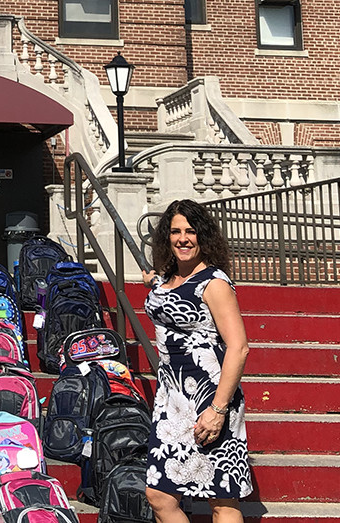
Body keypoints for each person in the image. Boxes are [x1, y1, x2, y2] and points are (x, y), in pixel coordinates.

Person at [141, 199, 252, 523]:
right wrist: (153, 282)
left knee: (222, 499)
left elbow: (239, 347)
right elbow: (168, 298)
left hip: (210, 397)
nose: (183, 239)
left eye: (190, 231)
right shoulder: (169, 278)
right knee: (159, 495)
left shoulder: (214, 283)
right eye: (175, 231)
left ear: (203, 236)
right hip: (171, 399)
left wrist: (218, 410)